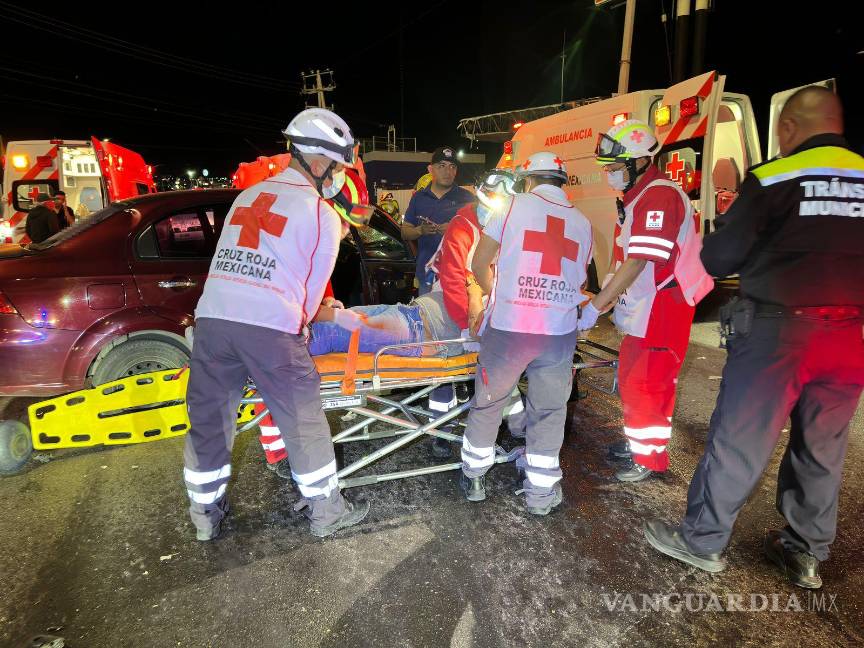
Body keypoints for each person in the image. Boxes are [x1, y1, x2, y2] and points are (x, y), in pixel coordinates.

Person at [644, 87, 864, 589]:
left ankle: (702, 541)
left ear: (788, 127)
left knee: (740, 438)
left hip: (778, 333)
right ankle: (804, 552)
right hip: (849, 337)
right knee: (823, 447)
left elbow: (720, 259)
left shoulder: (775, 177)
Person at [183, 107, 369, 540]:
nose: (339, 177)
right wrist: (304, 322)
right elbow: (311, 289)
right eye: (339, 167)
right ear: (319, 163)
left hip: (213, 321)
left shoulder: (245, 198)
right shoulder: (320, 211)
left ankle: (204, 516)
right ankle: (327, 512)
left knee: (209, 420)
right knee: (303, 419)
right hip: (269, 327)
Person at [578, 119, 713, 483]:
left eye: (616, 167)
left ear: (639, 161)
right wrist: (606, 291)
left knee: (648, 381)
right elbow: (626, 258)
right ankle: (638, 442)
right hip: (650, 302)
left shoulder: (659, 195)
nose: (610, 175)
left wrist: (596, 306)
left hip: (665, 304)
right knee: (632, 375)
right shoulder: (637, 196)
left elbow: (639, 260)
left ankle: (649, 458)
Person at [459, 152, 593, 515]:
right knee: (549, 411)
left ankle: (474, 477)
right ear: (561, 182)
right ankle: (540, 496)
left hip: (510, 328)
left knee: (489, 403)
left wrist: (494, 295)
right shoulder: (582, 222)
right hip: (559, 332)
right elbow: (578, 277)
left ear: (527, 180)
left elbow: (478, 262)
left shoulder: (513, 206)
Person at [401, 146, 474, 295]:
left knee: (457, 318)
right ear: (430, 169)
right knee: (427, 318)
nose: (448, 172)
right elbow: (405, 232)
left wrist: (456, 230)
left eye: (452, 166)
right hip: (427, 277)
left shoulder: (468, 198)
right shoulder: (418, 198)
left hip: (459, 278)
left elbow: (482, 233)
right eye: (442, 166)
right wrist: (420, 230)